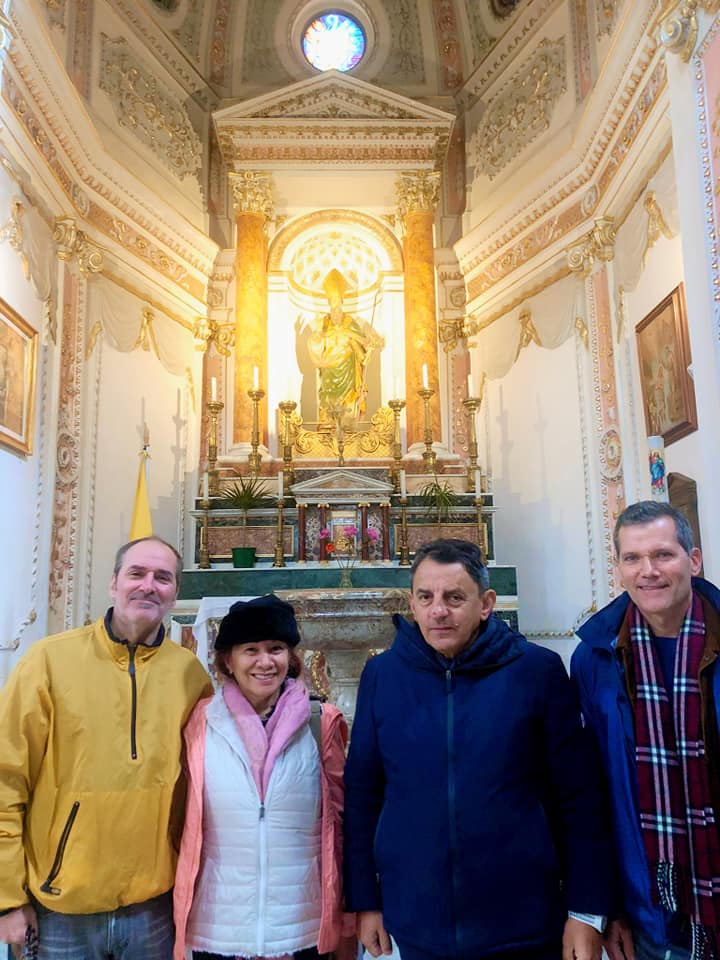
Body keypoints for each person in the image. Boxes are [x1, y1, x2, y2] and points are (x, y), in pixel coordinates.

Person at [344, 538, 612, 960]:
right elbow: (362, 795)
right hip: (414, 921)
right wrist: (365, 901)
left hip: (523, 921)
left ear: (486, 603)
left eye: (454, 598)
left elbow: (578, 797)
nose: (438, 611)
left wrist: (587, 910)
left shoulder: (536, 671)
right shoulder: (382, 675)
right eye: (425, 597)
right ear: (411, 603)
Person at [0, 536, 212, 959]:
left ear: (175, 594)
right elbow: (7, 781)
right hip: (62, 903)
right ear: (114, 583)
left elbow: (197, 788)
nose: (149, 585)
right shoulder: (48, 662)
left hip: (152, 906)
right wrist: (7, 897)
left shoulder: (189, 674)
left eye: (163, 578)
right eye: (137, 573)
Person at [572, 501, 720, 960]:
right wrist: (609, 907)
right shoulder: (594, 659)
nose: (648, 571)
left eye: (663, 555)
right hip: (652, 909)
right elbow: (595, 792)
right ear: (617, 568)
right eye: (632, 558)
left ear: (693, 561)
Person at [173, 593, 351, 960]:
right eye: (250, 650)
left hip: (302, 923)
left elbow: (341, 818)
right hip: (219, 924)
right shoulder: (199, 722)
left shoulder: (322, 723)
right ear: (229, 660)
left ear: (291, 657)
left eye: (276, 648)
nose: (265, 662)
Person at [307, 268, 383, 421]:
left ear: (342, 302)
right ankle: (328, 423)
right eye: (332, 303)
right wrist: (316, 338)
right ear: (329, 303)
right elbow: (316, 345)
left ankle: (349, 423)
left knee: (348, 406)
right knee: (327, 396)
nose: (336, 308)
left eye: (338, 303)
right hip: (328, 369)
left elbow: (361, 347)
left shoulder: (350, 323)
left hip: (348, 371)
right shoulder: (323, 323)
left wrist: (367, 349)